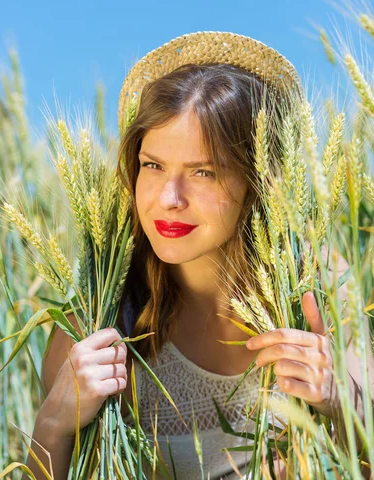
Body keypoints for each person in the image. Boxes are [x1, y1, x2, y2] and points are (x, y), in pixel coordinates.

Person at [23, 32, 374, 480]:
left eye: (202, 172)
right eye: (153, 165)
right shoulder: (97, 321)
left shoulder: (319, 287)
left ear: (257, 179)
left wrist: (341, 401)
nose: (169, 198)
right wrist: (55, 421)